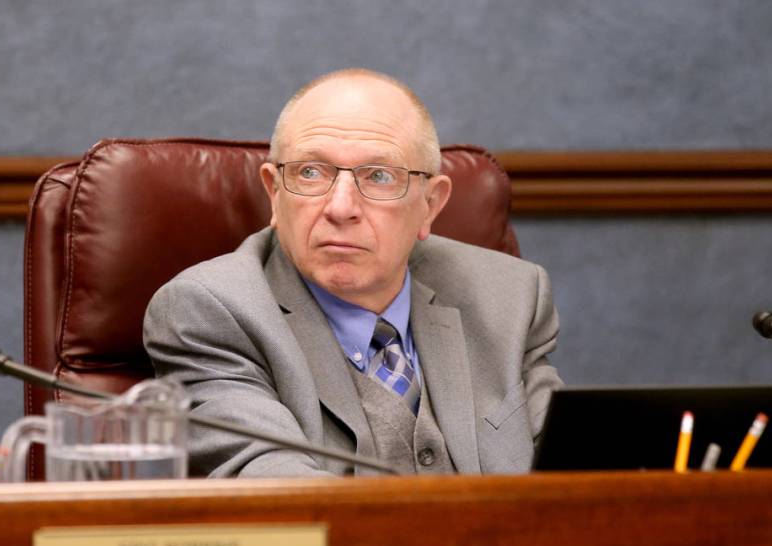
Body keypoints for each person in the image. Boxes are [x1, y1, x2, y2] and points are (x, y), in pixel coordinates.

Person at [144, 68, 562, 477]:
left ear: (430, 204)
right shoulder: (208, 312)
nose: (340, 207)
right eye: (310, 172)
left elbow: (582, 471)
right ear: (274, 192)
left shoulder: (509, 297)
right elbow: (275, 488)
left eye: (379, 176)